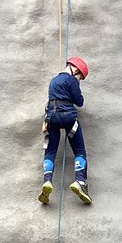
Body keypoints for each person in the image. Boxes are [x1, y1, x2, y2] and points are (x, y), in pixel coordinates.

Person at [38, 56, 91, 206]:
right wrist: (75, 86)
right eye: (80, 77)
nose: (79, 80)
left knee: (50, 152)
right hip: (68, 118)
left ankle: (47, 181)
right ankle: (80, 181)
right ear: (75, 70)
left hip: (51, 119)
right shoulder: (72, 80)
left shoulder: (53, 81)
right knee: (79, 150)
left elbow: (50, 101)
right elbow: (79, 101)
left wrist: (45, 121)